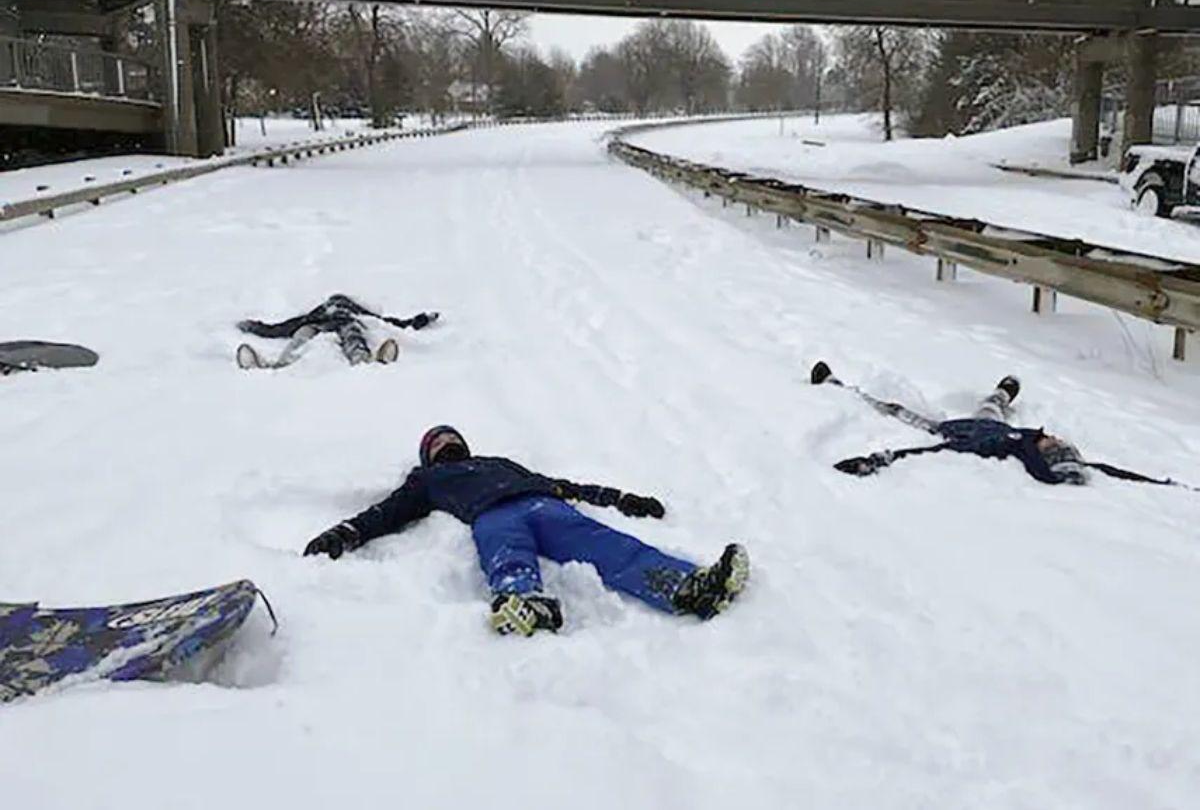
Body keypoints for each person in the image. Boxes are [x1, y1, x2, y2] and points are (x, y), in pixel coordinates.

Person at [303, 425, 750, 636]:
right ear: (427, 457)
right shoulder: (428, 482)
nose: (445, 443)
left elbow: (564, 486)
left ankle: (686, 586)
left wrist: (620, 498)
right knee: (504, 548)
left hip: (542, 504)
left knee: (606, 544)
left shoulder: (501, 464)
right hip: (491, 514)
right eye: (435, 442)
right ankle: (522, 600)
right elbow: (387, 513)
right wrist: (345, 532)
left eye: (450, 437)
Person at [812, 360, 1182, 487]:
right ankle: (1005, 392)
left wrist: (876, 460)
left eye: (1052, 445)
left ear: (1043, 457)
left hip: (953, 430)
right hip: (986, 420)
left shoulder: (999, 449)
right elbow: (1112, 470)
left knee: (893, 409)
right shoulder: (1025, 438)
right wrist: (1167, 484)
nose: (1051, 437)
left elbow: (930, 453)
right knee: (992, 405)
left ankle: (836, 385)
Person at [235, 294, 437, 369]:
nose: (335, 306)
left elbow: (389, 322)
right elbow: (282, 328)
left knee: (354, 336)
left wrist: (419, 320)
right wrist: (254, 327)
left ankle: (367, 362)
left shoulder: (352, 314)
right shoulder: (315, 315)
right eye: (333, 304)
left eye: (340, 303)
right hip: (316, 326)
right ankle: (278, 365)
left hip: (347, 324)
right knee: (300, 337)